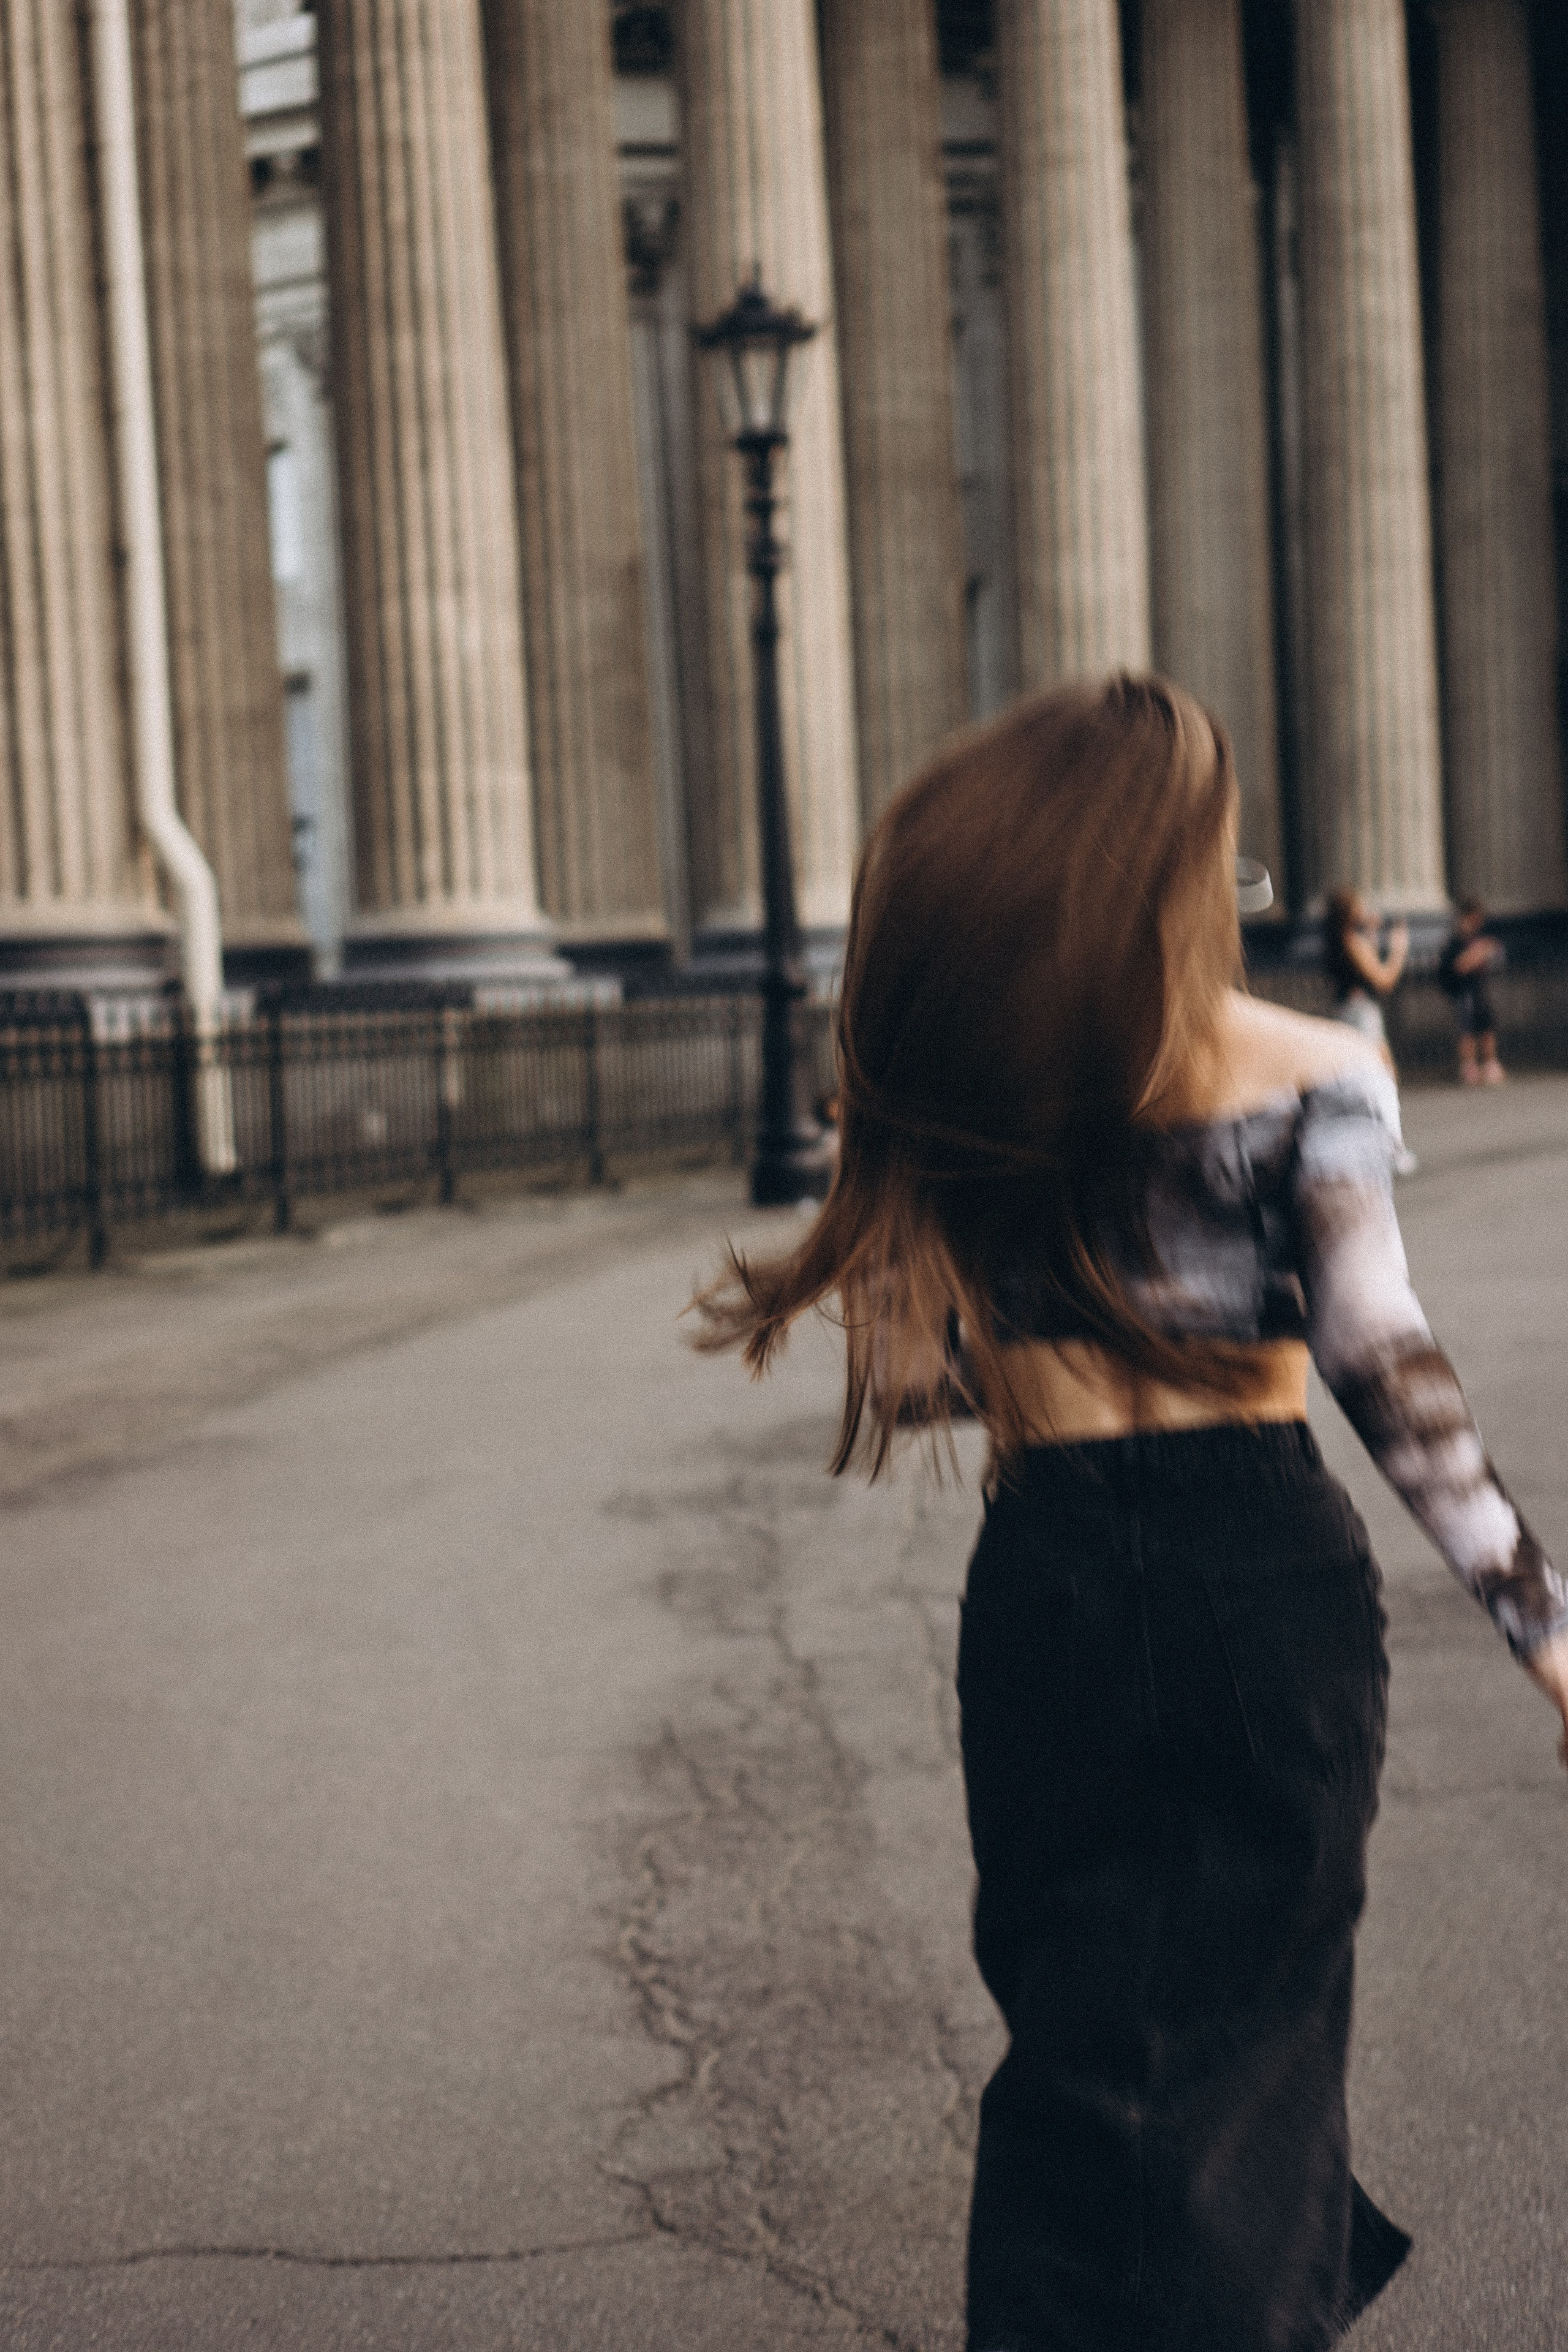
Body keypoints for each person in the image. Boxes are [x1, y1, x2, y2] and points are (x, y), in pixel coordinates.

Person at [692, 676, 1568, 2352]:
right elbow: (1388, 1369)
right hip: (1262, 1574)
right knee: (1254, 2023)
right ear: (1170, 874)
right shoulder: (1315, 1067)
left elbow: (925, 1374)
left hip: (1051, 1572)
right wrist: (1547, 1632)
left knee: (1079, 2032)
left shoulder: (979, 1092)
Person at [1325, 886, 1417, 1172]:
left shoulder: (1342, 940)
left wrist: (1374, 937)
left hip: (1349, 1012)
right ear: (1349, 912)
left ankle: (1379, 1147)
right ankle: (1391, 1150)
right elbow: (1384, 979)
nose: (1365, 909)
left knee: (1368, 1082)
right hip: (1361, 1014)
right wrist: (1399, 948)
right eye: (1359, 905)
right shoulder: (1352, 941)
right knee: (1383, 1080)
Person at [1439, 895, 1506, 1085]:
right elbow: (1458, 965)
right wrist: (1475, 956)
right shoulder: (1456, 939)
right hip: (1464, 991)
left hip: (1479, 988)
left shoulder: (1478, 936)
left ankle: (1490, 1063)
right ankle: (1469, 1066)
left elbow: (1495, 952)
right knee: (1467, 1028)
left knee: (1487, 1025)